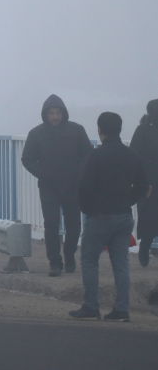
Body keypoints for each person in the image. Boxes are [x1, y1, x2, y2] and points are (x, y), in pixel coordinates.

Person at [69, 112, 150, 322]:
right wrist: (127, 201)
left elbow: (84, 187)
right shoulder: (132, 155)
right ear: (120, 129)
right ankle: (121, 309)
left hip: (100, 217)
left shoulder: (96, 156)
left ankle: (91, 306)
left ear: (99, 130)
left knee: (89, 260)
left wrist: (87, 209)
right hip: (124, 216)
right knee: (121, 264)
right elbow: (142, 186)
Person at [21, 94, 93, 277]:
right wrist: (42, 173)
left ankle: (69, 255)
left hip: (72, 185)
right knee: (51, 224)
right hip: (48, 186)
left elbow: (87, 154)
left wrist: (79, 173)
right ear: (45, 115)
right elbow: (27, 158)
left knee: (74, 224)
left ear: (63, 113)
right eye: (51, 113)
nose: (55, 117)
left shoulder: (77, 130)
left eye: (58, 113)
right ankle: (54, 262)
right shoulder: (36, 133)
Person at [130, 99, 158, 267]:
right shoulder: (142, 130)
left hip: (147, 181)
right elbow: (134, 155)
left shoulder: (142, 130)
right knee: (148, 216)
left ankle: (146, 249)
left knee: (149, 216)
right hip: (148, 183)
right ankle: (145, 249)